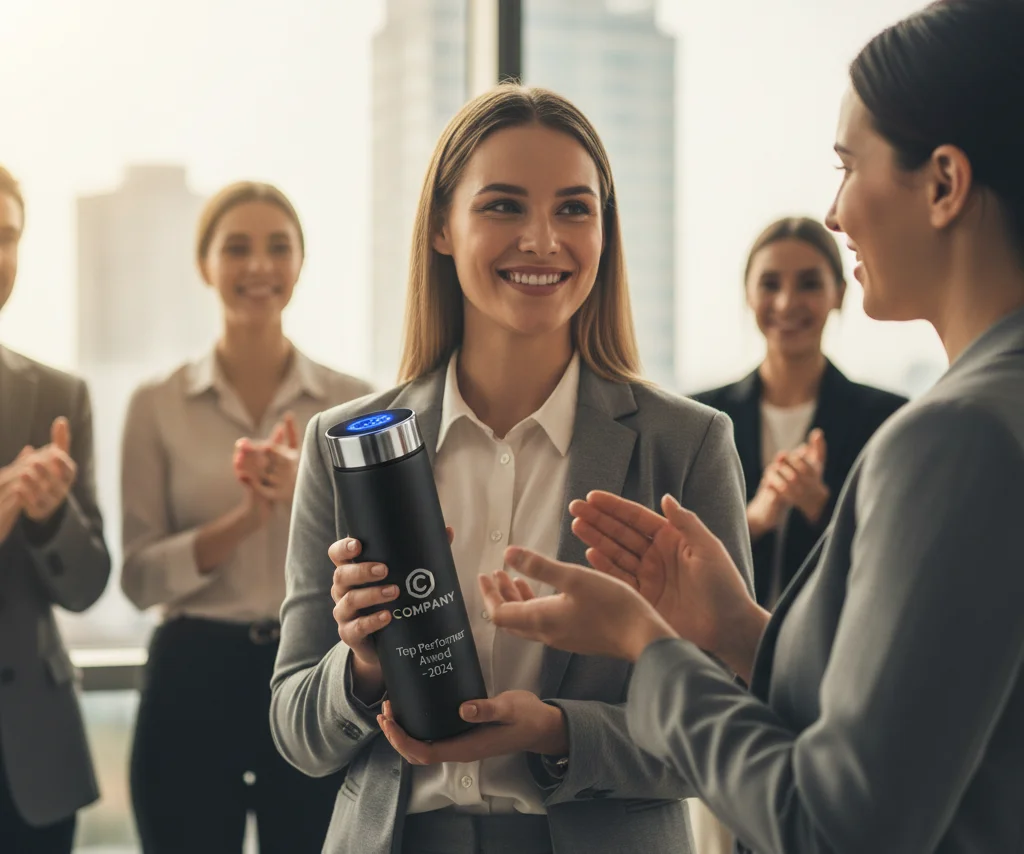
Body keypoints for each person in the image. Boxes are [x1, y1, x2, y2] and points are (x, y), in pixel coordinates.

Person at [477, 2, 1024, 852]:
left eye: (848, 166)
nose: (836, 210)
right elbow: (933, 718)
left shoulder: (952, 437)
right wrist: (737, 630)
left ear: (945, 184)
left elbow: (839, 824)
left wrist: (645, 647)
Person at [270, 84, 753, 854]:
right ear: (440, 227)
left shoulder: (685, 444)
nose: (541, 239)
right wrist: (362, 666)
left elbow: (728, 728)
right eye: (502, 206)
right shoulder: (345, 444)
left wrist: (560, 733)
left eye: (573, 208)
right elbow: (297, 731)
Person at [120, 181, 372, 853]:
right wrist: (241, 519)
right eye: (237, 248)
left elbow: (385, 555)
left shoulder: (352, 403)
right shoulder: (156, 404)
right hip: (191, 676)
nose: (258, 266)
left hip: (315, 672)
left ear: (300, 264)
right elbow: (141, 579)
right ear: (205, 266)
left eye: (277, 248)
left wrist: (307, 491)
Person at [694, 217, 906, 609]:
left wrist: (824, 511)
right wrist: (752, 520)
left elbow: (899, 560)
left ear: (839, 294)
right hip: (716, 659)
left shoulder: (890, 420)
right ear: (748, 295)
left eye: (809, 283)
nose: (787, 302)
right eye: (770, 284)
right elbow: (672, 553)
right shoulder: (697, 418)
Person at [0, 165, 111, 852]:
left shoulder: (55, 397)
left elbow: (88, 585)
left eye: (6, 236)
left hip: (31, 766)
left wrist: (46, 517)